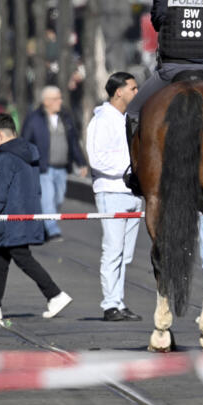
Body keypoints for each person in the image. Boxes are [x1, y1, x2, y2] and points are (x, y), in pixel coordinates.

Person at [0, 114, 72, 322]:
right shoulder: (28, 153)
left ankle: (55, 294)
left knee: (22, 258)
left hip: (9, 220)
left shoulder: (4, 157)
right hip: (24, 215)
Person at [85, 72, 143, 322]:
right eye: (133, 88)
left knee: (125, 254)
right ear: (119, 91)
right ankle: (110, 304)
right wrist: (131, 167)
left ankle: (118, 301)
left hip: (133, 192)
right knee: (113, 250)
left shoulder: (128, 119)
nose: (136, 92)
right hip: (111, 191)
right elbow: (97, 159)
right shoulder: (101, 120)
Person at [20, 86, 88, 242]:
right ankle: (53, 230)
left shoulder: (65, 118)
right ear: (47, 101)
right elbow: (25, 143)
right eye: (57, 98)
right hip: (44, 168)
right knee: (47, 198)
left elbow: (73, 142)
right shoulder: (34, 119)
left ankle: (45, 226)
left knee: (57, 199)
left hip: (62, 168)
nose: (60, 101)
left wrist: (81, 163)